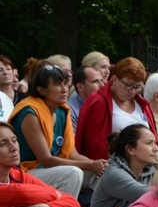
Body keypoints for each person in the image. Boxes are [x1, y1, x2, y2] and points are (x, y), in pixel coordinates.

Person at [9, 64, 107, 197]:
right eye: (57, 84)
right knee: (73, 173)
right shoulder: (30, 112)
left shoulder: (62, 110)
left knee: (103, 172)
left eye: (65, 84)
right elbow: (46, 160)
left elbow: (73, 155)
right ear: (42, 90)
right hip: (26, 173)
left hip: (52, 170)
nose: (64, 89)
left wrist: (98, 164)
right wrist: (90, 165)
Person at [76, 57, 158, 161]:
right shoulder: (97, 101)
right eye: (128, 85)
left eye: (137, 87)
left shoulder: (142, 103)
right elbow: (92, 146)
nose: (132, 91)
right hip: (110, 166)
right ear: (114, 79)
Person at [89, 124, 158, 207]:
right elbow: (151, 195)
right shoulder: (113, 174)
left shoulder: (150, 170)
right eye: (149, 143)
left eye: (155, 143)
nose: (155, 148)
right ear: (130, 149)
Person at [68, 66, 105, 131]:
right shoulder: (70, 110)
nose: (102, 85)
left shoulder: (106, 105)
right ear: (80, 86)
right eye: (95, 81)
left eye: (102, 80)